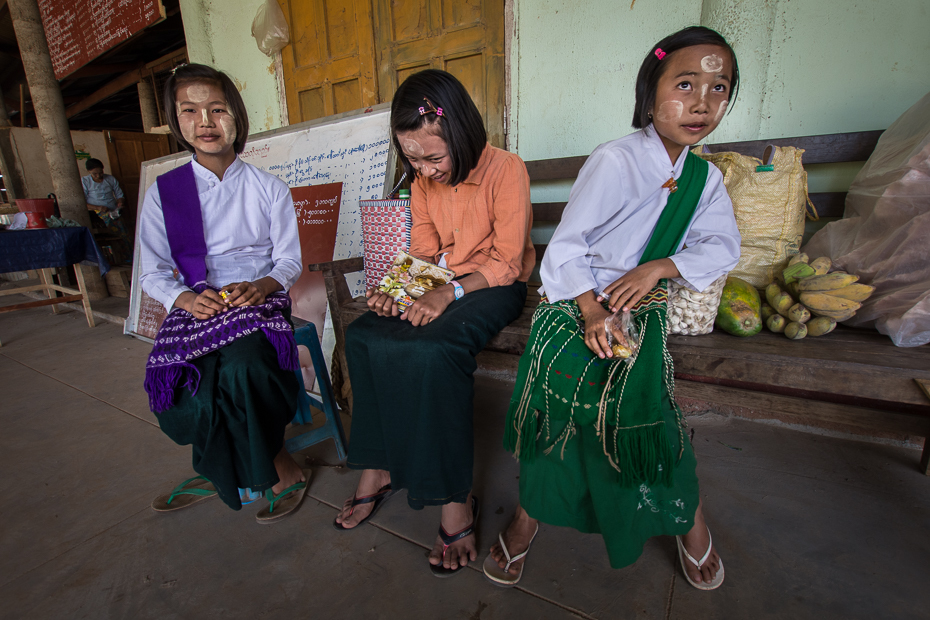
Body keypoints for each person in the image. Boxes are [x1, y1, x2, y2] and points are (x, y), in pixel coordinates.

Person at [484, 26, 742, 590]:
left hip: (640, 308)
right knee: (565, 409)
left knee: (643, 416)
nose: (701, 101)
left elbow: (721, 246)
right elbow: (567, 249)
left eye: (719, 87)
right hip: (577, 300)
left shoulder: (705, 179)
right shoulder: (615, 161)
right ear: (650, 93)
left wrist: (656, 268)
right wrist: (593, 311)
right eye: (685, 83)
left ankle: (687, 521)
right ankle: (531, 516)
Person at [333, 69, 535, 577]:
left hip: (493, 285)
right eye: (413, 158)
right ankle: (377, 469)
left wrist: (450, 291)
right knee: (363, 336)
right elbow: (423, 254)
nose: (424, 168)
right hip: (441, 283)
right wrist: (397, 289)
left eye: (433, 156)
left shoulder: (506, 169)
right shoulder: (422, 182)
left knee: (434, 350)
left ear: (461, 133)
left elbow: (508, 261)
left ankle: (452, 498)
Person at [138, 63, 310, 523]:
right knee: (185, 378)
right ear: (177, 121)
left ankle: (266, 468)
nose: (206, 122)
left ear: (236, 114)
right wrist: (187, 300)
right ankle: (228, 468)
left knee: (244, 368)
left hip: (257, 300)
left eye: (217, 109)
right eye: (190, 110)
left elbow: (289, 262)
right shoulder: (165, 194)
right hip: (196, 302)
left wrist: (263, 285)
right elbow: (151, 270)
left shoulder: (268, 189)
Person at [82, 158, 132, 263]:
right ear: (89, 172)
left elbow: (119, 194)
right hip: (97, 214)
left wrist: (120, 202)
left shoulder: (110, 179)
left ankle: (128, 258)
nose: (98, 176)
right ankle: (112, 259)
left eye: (100, 173)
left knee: (123, 233)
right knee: (109, 233)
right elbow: (82, 203)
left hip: (114, 211)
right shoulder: (85, 182)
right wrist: (98, 208)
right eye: (95, 174)